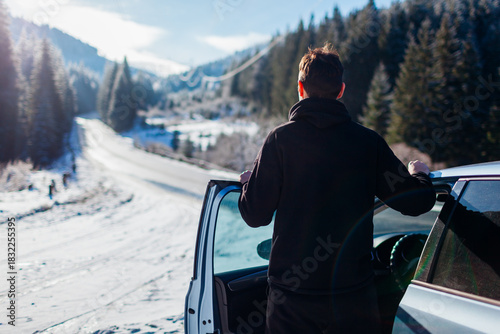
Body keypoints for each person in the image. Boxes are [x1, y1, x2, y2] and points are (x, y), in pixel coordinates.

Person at [238, 44, 436, 334]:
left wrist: (247, 185)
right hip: (352, 298)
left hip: (292, 300)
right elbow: (416, 203)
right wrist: (420, 175)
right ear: (341, 90)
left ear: (300, 88)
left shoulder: (279, 141)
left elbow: (255, 216)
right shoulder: (367, 142)